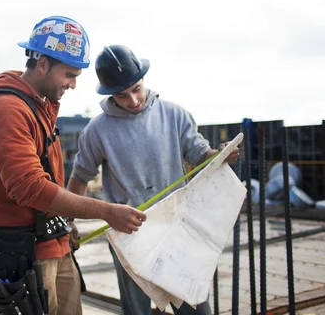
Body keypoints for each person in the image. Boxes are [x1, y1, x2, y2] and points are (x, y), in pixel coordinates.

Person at [0, 18, 147, 315]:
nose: (73, 84)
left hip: (54, 246)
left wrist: (67, 223)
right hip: (26, 254)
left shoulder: (37, 104)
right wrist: (105, 211)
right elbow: (29, 187)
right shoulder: (7, 110)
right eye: (69, 74)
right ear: (42, 65)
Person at [66, 45, 240, 315]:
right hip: (129, 233)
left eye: (136, 89)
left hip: (177, 228)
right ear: (110, 95)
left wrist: (221, 154)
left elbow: (202, 155)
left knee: (193, 305)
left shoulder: (174, 114)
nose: (133, 100)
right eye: (123, 96)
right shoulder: (97, 131)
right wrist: (68, 222)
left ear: (144, 79)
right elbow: (80, 177)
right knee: (136, 309)